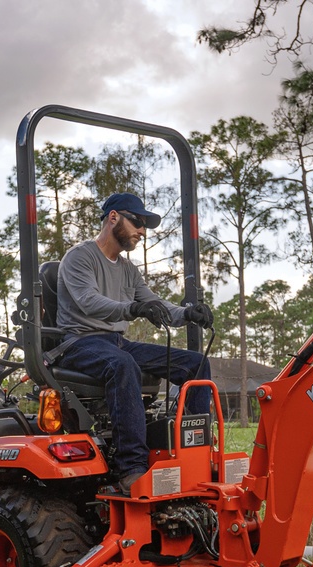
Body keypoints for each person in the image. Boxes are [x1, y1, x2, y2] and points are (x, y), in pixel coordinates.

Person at [55, 192, 215, 494]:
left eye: (144, 225)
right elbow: (89, 302)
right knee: (123, 364)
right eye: (138, 222)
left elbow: (153, 303)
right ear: (114, 217)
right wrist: (131, 309)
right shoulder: (80, 257)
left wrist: (188, 314)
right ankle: (132, 468)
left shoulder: (129, 269)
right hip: (78, 343)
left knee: (195, 364)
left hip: (116, 342)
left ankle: (192, 451)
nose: (142, 231)